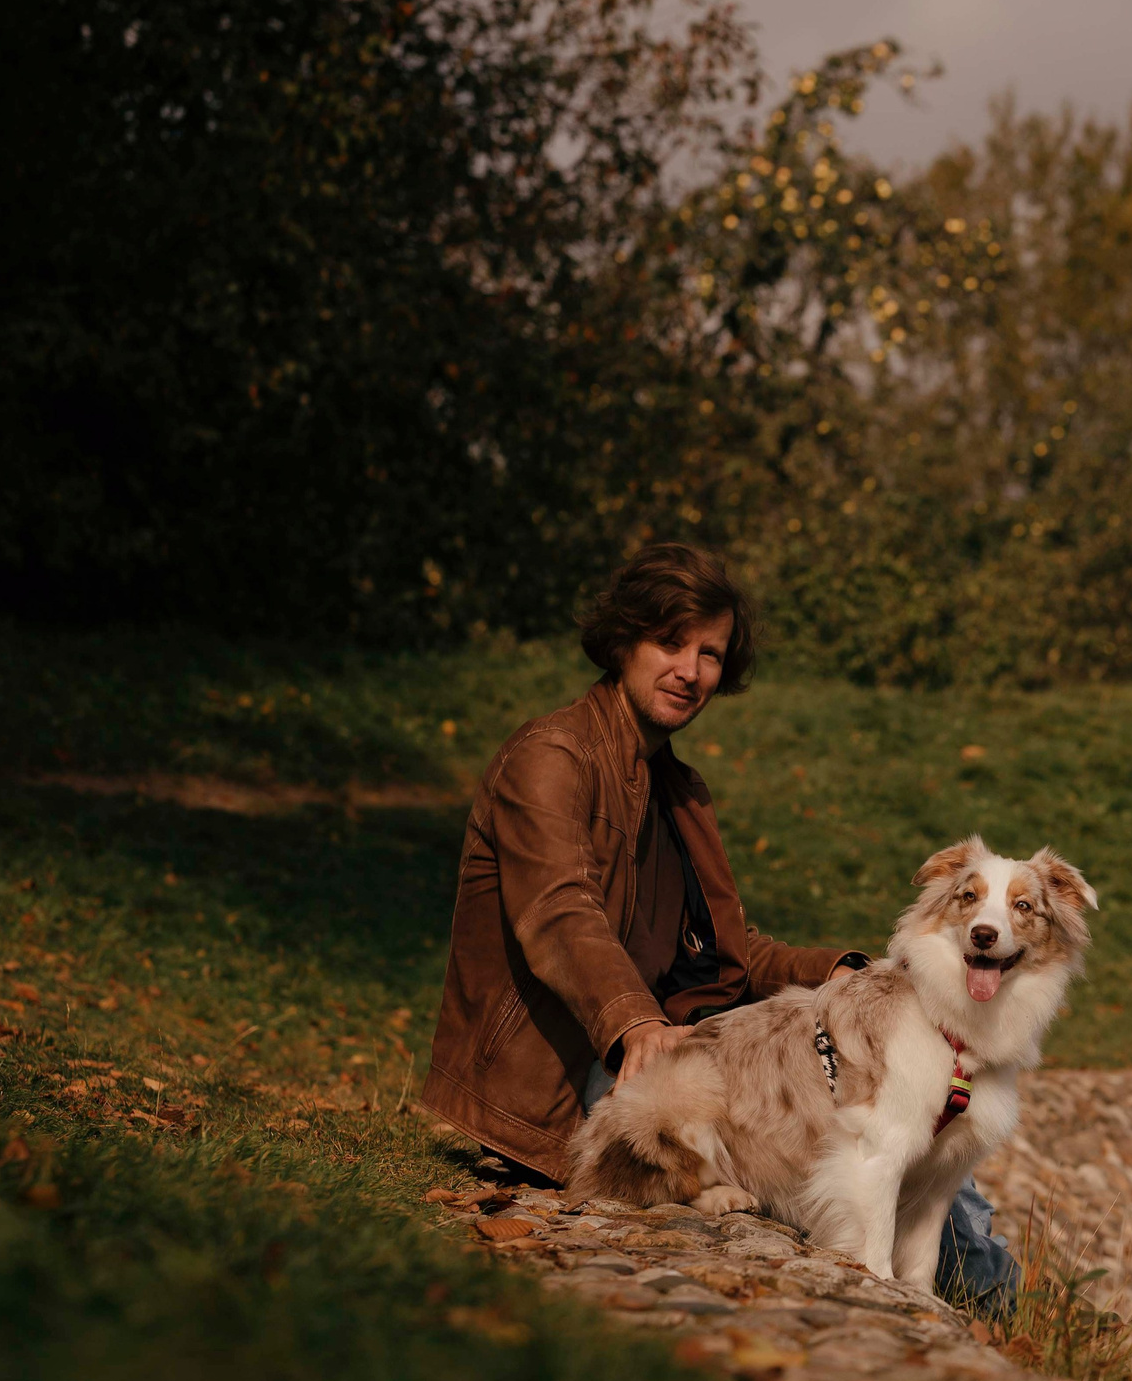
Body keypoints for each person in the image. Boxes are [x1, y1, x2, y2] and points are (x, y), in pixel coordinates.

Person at [419, 541, 1014, 1302]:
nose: (691, 671)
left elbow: (730, 950)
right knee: (887, 1126)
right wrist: (633, 1022)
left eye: (710, 653)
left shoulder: (679, 790)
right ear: (622, 640)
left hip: (679, 1044)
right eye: (671, 643)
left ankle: (986, 1290)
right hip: (572, 1077)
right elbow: (559, 913)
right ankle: (981, 1292)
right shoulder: (551, 757)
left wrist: (841, 972)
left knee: (914, 1080)